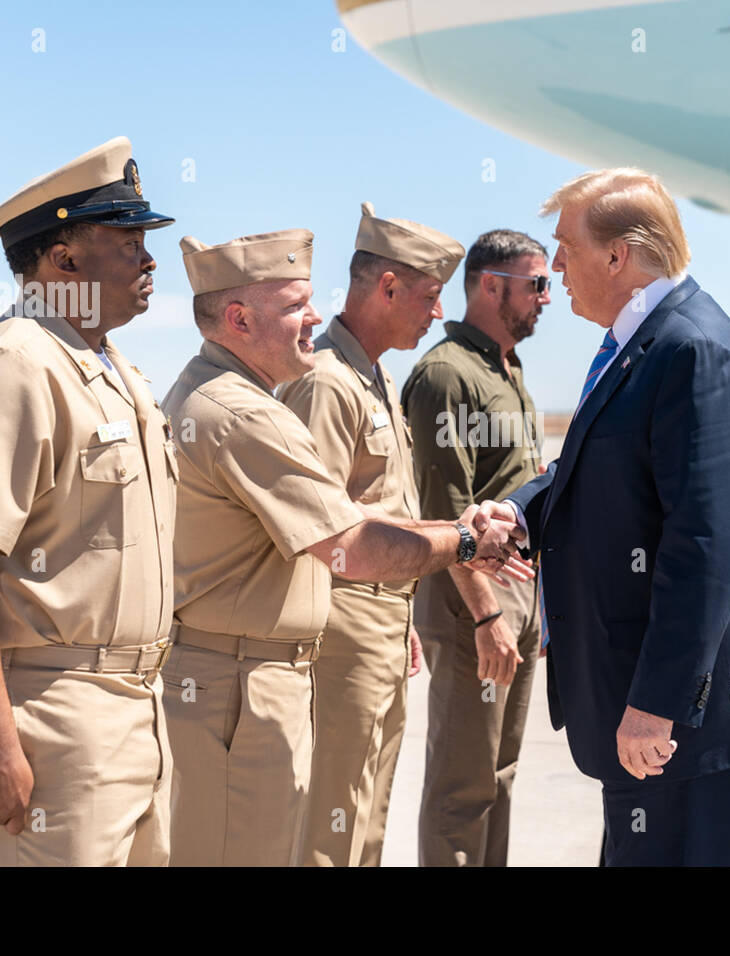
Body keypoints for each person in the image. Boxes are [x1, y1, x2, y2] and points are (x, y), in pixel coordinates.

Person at [474, 167, 730, 867]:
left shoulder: (692, 350)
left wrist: (659, 703)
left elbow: (706, 546)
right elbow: (603, 473)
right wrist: (517, 512)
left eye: (566, 247)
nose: (557, 266)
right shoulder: (647, 340)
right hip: (647, 696)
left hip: (680, 709)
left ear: (618, 255)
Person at [162, 229, 525, 867]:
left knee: (360, 814)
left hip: (361, 619)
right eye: (295, 304)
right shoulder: (287, 397)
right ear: (240, 319)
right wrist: (466, 542)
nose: (312, 315)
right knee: (327, 828)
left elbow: (360, 516)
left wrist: (413, 587)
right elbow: (341, 542)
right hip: (308, 641)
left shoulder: (367, 377)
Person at [0, 137, 179, 865]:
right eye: (130, 241)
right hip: (51, 716)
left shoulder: (108, 368)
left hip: (133, 708)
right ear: (63, 259)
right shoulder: (15, 362)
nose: (150, 259)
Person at [278, 203, 466, 867]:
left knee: (367, 812)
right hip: (342, 629)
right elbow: (321, 533)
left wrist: (400, 612)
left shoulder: (376, 374)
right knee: (332, 816)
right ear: (387, 287)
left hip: (382, 622)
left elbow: (382, 502)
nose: (438, 313)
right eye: (429, 295)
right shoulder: (328, 381)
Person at [401, 229, 550, 866]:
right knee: (464, 781)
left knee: (500, 775)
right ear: (491, 285)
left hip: (519, 597)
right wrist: (488, 617)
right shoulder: (445, 375)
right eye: (536, 283)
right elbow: (444, 511)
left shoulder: (507, 367)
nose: (547, 297)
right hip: (474, 605)